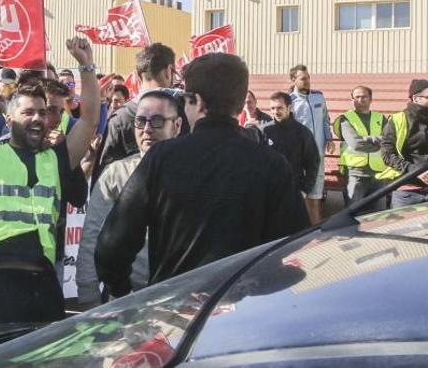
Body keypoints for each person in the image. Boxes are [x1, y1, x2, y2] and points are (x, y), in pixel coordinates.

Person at [95, 53, 310, 295]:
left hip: (174, 311)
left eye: (186, 100)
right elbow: (293, 247)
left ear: (196, 101)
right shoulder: (272, 164)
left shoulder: (162, 158)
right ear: (240, 103)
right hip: (244, 310)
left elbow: (112, 246)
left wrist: (124, 292)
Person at [0, 16, 99, 325]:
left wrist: (87, 64)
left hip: (43, 281)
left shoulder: (55, 158)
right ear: (8, 115)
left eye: (43, 113)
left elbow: (89, 121)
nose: (37, 119)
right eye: (28, 112)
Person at [77, 90, 182, 309]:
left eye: (157, 121)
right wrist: (89, 296)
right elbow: (92, 235)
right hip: (126, 300)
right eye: (141, 121)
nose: (147, 129)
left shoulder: (191, 173)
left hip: (178, 298)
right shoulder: (116, 173)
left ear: (177, 125)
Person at [92, 43, 178, 186]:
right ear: (169, 71)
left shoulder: (120, 118)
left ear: (138, 76)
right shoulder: (186, 111)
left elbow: (102, 181)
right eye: (141, 122)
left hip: (127, 200)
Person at [289, 64, 334, 224]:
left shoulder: (318, 96)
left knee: (315, 199)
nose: (307, 81)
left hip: (318, 157)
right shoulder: (290, 101)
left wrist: (329, 138)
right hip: (300, 159)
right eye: (303, 79)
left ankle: (316, 234)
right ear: (293, 80)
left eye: (308, 78)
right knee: (300, 200)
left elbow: (325, 119)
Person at [333, 86, 388, 212]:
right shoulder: (345, 118)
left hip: (378, 173)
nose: (360, 99)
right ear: (352, 100)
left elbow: (389, 140)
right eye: (356, 97)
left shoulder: (380, 118)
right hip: (355, 173)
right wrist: (377, 141)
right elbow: (355, 143)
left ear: (371, 99)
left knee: (378, 214)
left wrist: (367, 138)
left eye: (364, 97)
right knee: (353, 213)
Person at [379, 79, 428, 208]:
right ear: (415, 98)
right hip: (407, 191)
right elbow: (387, 155)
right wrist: (416, 171)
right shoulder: (398, 120)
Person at [263, 92, 320, 198]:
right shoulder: (265, 131)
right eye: (272, 108)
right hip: (269, 190)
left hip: (294, 190)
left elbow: (313, 161)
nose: (276, 112)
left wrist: (305, 189)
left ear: (289, 107)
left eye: (280, 108)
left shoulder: (302, 132)